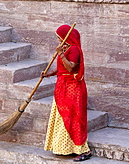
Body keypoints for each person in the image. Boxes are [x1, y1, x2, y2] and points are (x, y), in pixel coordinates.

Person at [41, 25, 92, 162]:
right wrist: (49, 74)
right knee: (63, 116)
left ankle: (83, 150)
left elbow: (71, 68)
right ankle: (67, 148)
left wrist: (61, 54)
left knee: (74, 117)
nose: (58, 39)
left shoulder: (74, 49)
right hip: (62, 86)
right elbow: (61, 69)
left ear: (66, 36)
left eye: (59, 36)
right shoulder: (65, 48)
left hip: (73, 88)